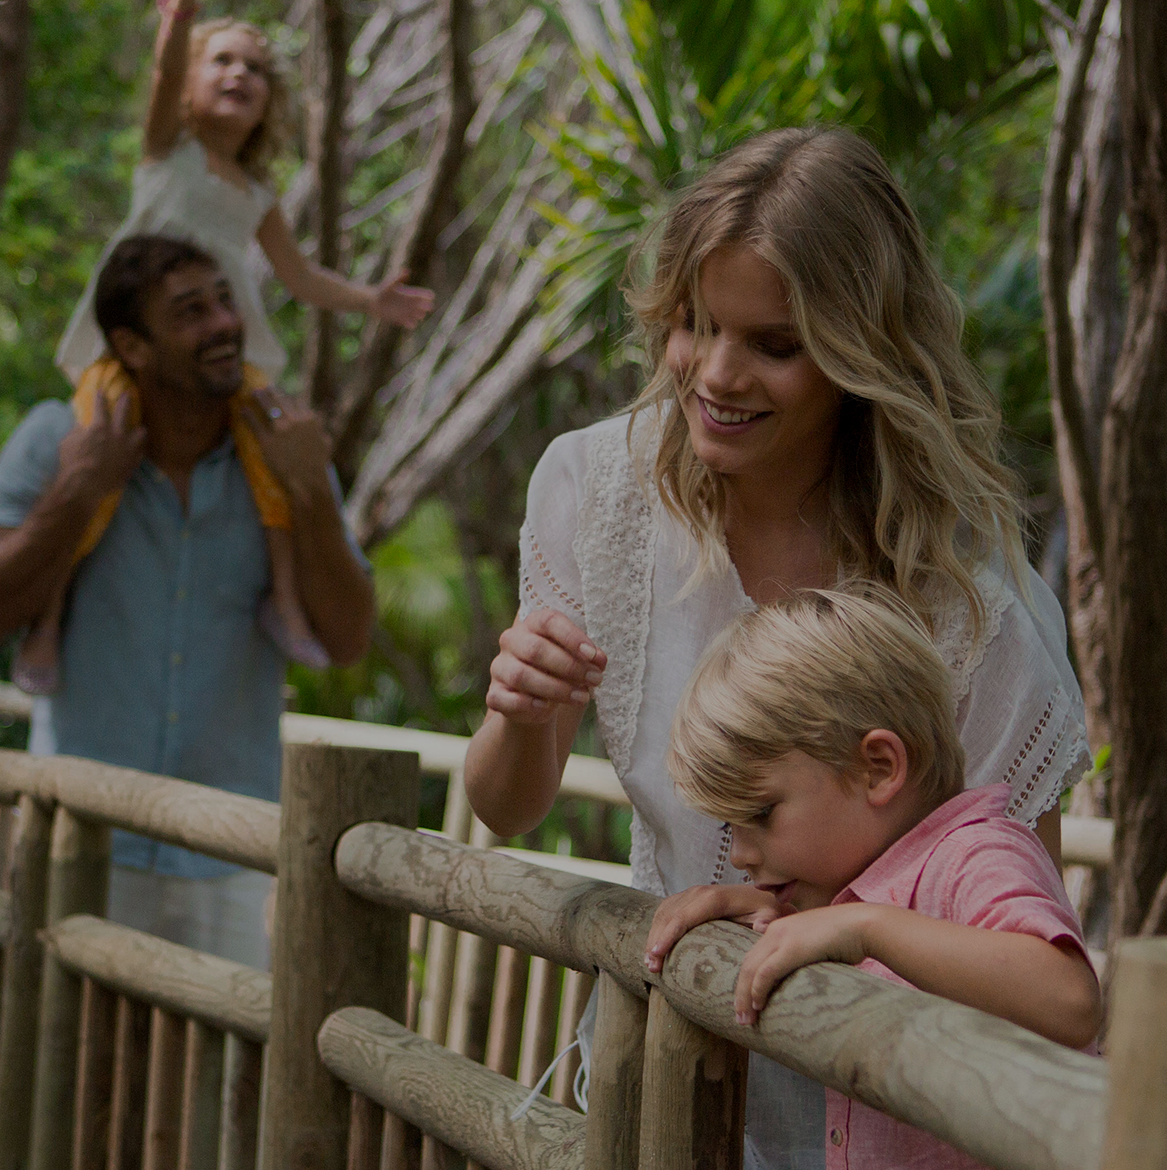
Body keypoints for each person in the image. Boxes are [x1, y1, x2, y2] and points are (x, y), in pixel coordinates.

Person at [457, 127, 1092, 1168]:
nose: (714, 372)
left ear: (860, 352)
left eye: (773, 344)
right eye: (695, 324)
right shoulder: (593, 491)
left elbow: (1018, 958)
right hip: (648, 1078)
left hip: (873, 1115)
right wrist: (516, 713)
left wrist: (814, 916)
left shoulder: (974, 611)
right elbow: (506, 804)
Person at [0, 234, 374, 970]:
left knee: (219, 1084)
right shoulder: (58, 437)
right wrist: (77, 490)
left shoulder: (286, 457)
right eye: (190, 311)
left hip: (232, 852)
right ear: (132, 346)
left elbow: (348, 639)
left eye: (223, 300)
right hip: (81, 841)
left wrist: (310, 490)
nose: (223, 324)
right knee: (71, 1073)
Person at [19, 0, 432, 690]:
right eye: (223, 61)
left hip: (218, 350)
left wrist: (371, 299)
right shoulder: (167, 151)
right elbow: (159, 76)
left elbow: (298, 276)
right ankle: (48, 620)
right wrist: (177, 24)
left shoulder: (257, 191)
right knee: (96, 454)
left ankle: (287, 602)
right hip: (136, 346)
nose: (241, 73)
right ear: (187, 84)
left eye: (256, 68)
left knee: (271, 454)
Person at [640, 589, 1100, 1169]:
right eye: (731, 826)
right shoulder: (866, 889)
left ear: (878, 768)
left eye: (761, 814)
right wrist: (781, 916)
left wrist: (864, 926)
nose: (741, 855)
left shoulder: (976, 852)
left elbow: (1069, 999)